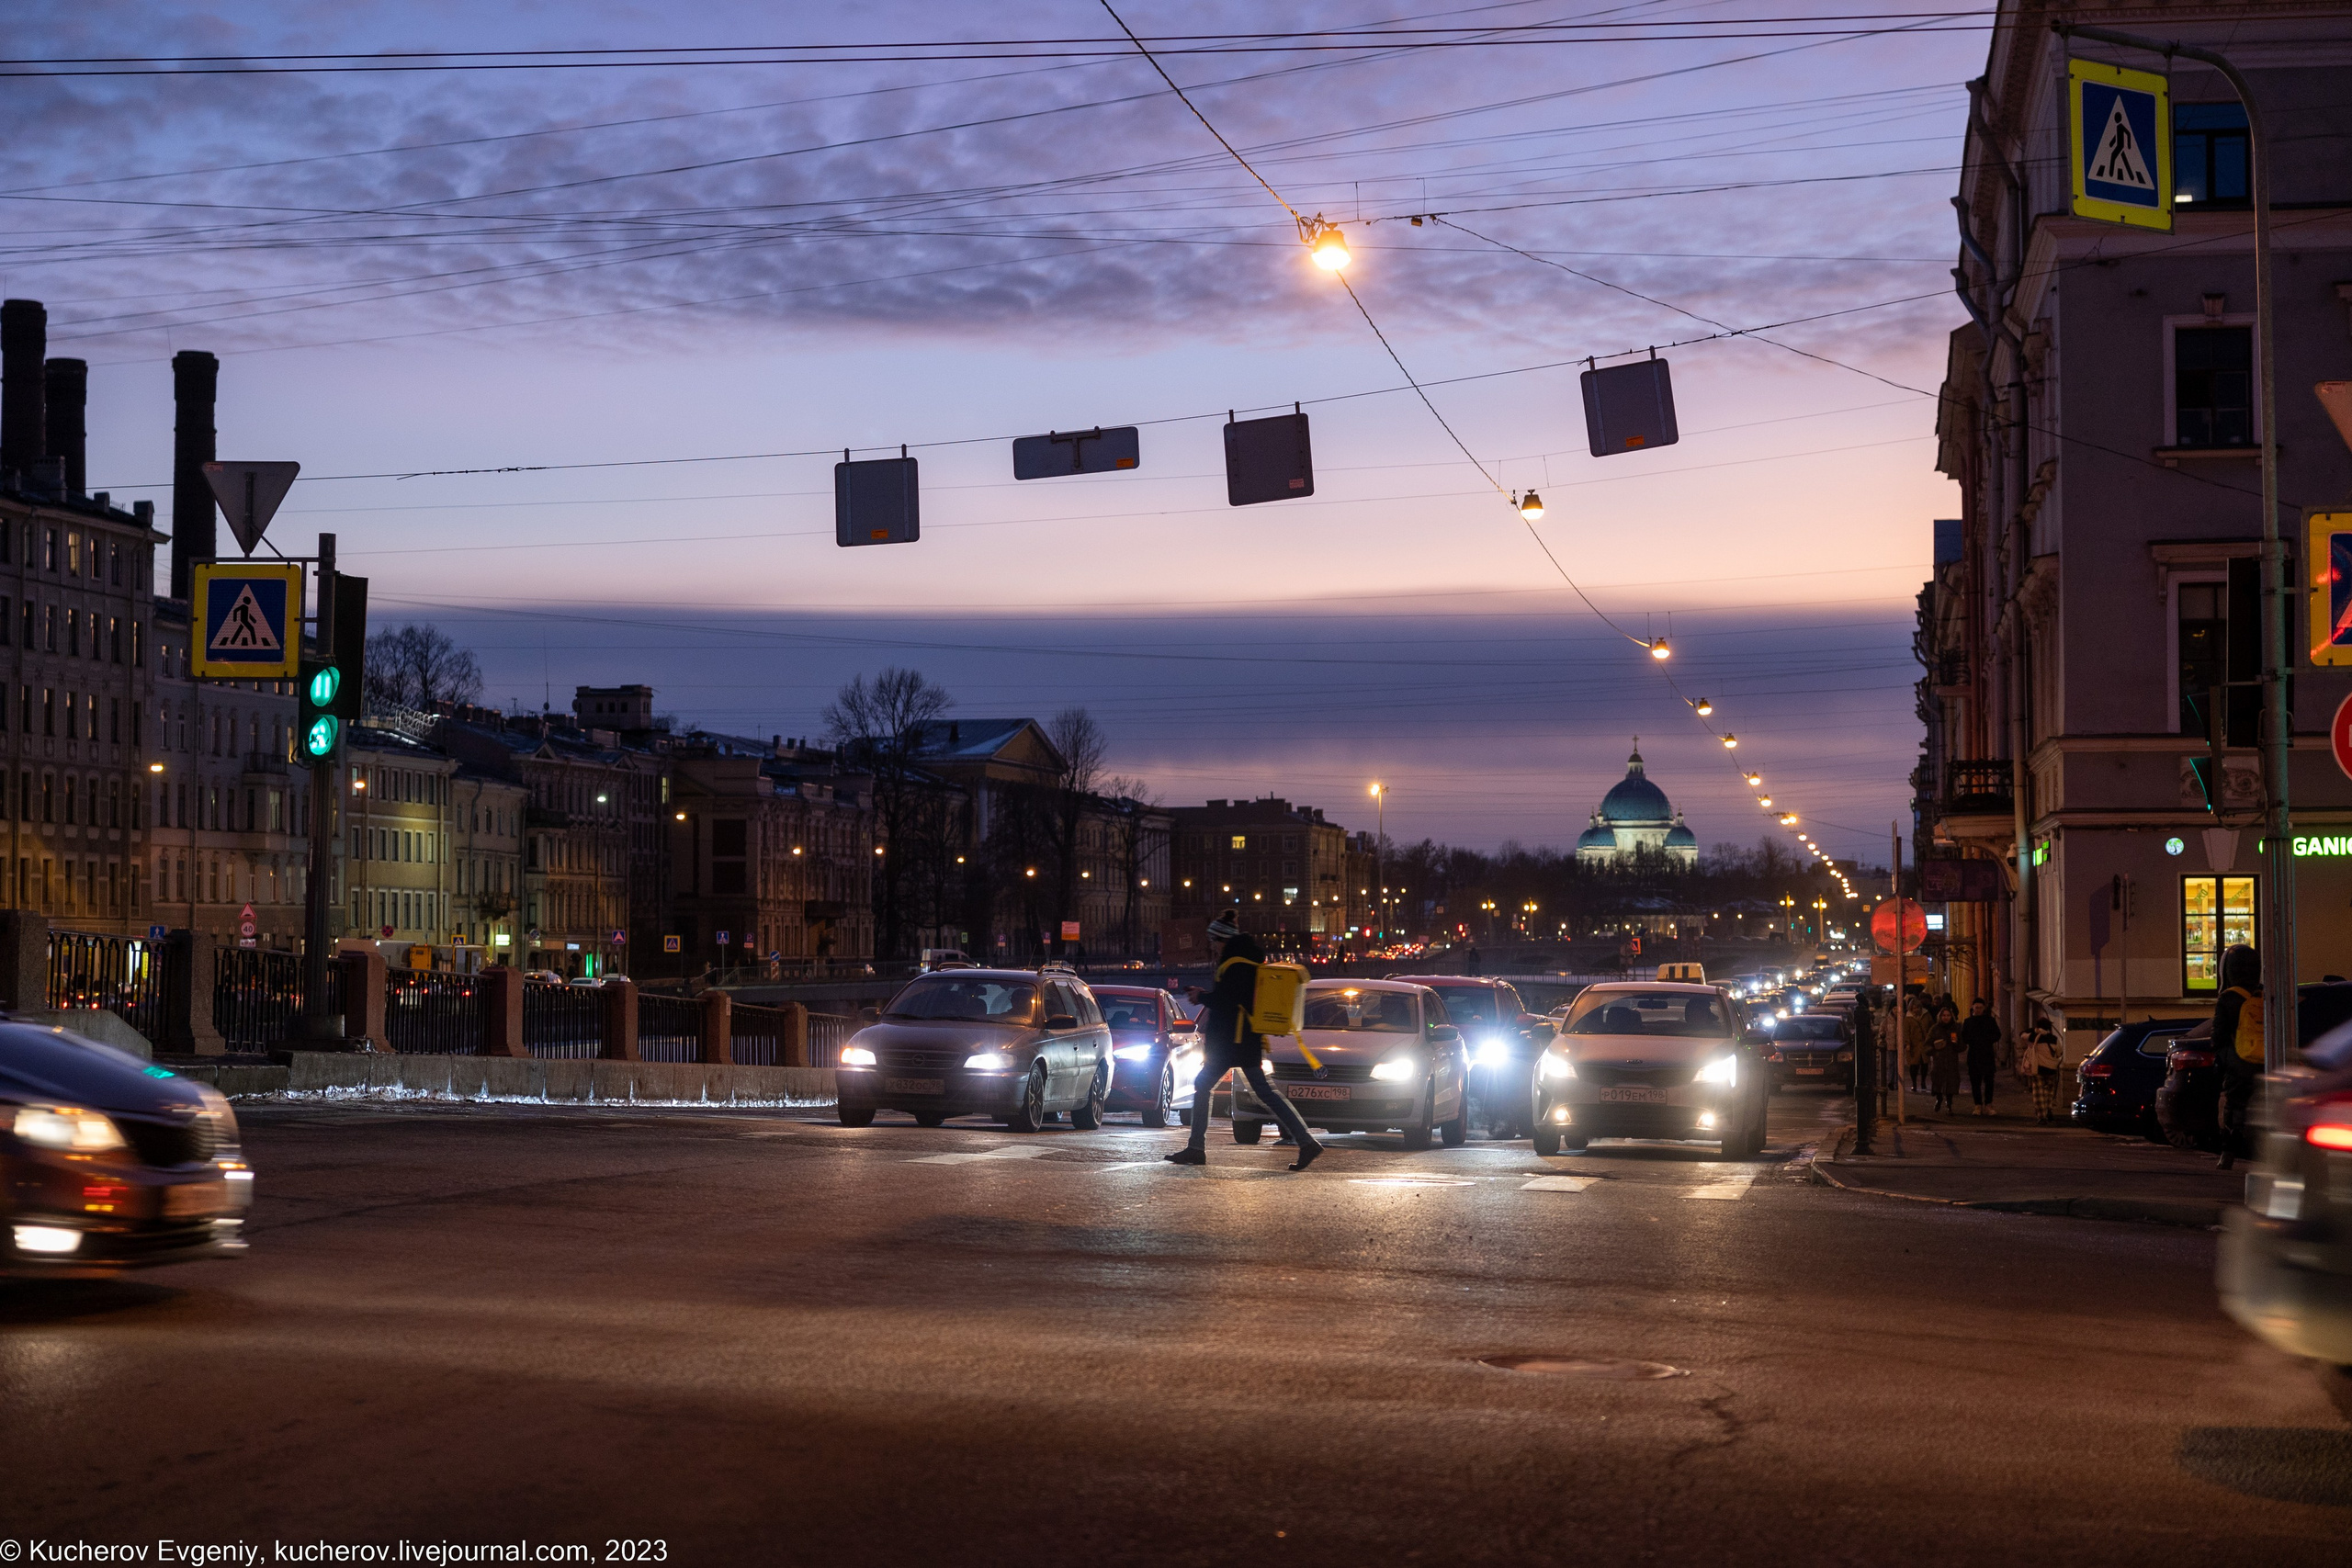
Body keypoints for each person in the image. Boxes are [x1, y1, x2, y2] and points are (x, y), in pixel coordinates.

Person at [1168, 910, 1322, 1171]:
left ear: (1222, 940)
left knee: (1206, 1085)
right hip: (1244, 1039)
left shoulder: (1235, 964)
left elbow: (1230, 1001)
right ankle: (1306, 1142)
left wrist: (1202, 997)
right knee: (1263, 1092)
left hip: (1232, 1040)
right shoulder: (1246, 960)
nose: (1213, 947)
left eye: (1214, 941)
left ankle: (1196, 1148)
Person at [2211, 943, 2263, 1171]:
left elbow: (2218, 1036)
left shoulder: (2228, 998)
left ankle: (2228, 1156)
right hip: (2264, 1062)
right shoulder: (2262, 993)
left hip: (2238, 1064)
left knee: (2235, 1109)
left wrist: (2222, 1061)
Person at [1960, 998, 2005, 1117]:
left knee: (1989, 1081)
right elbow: (1964, 1037)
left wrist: (1986, 1040)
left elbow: (1997, 1034)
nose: (1978, 1010)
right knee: (1975, 1082)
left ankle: (1988, 1105)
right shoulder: (1968, 1022)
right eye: (1976, 1007)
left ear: (1984, 1008)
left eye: (1980, 1007)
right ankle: (1978, 1105)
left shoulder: (1990, 1021)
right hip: (1974, 1055)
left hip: (1987, 1054)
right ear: (1973, 1008)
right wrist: (1974, 1041)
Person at [1850, 986, 1881, 1156]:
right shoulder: (1863, 1013)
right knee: (1863, 1086)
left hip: (1864, 1076)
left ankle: (1862, 1140)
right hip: (1863, 1075)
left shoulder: (1861, 1013)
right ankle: (1862, 1139)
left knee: (1864, 1087)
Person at [2021, 1014, 2064, 1124]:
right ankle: (2049, 1110)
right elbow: (2059, 1052)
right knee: (2049, 1092)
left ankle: (2042, 1116)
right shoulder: (2054, 1039)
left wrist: (2033, 1030)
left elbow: (2022, 1035)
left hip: (2038, 1069)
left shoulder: (2033, 1037)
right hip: (2051, 1069)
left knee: (2038, 1093)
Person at [1927, 1001, 1962, 1114]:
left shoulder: (1956, 1028)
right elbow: (1927, 1044)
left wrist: (1956, 1043)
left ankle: (1949, 1103)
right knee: (1938, 1081)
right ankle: (1939, 1099)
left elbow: (1963, 1045)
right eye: (1944, 1015)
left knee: (1951, 1082)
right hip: (1939, 1060)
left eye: (1948, 1015)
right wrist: (1934, 1049)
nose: (1946, 1018)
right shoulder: (1935, 1029)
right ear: (1940, 1017)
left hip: (1951, 1060)